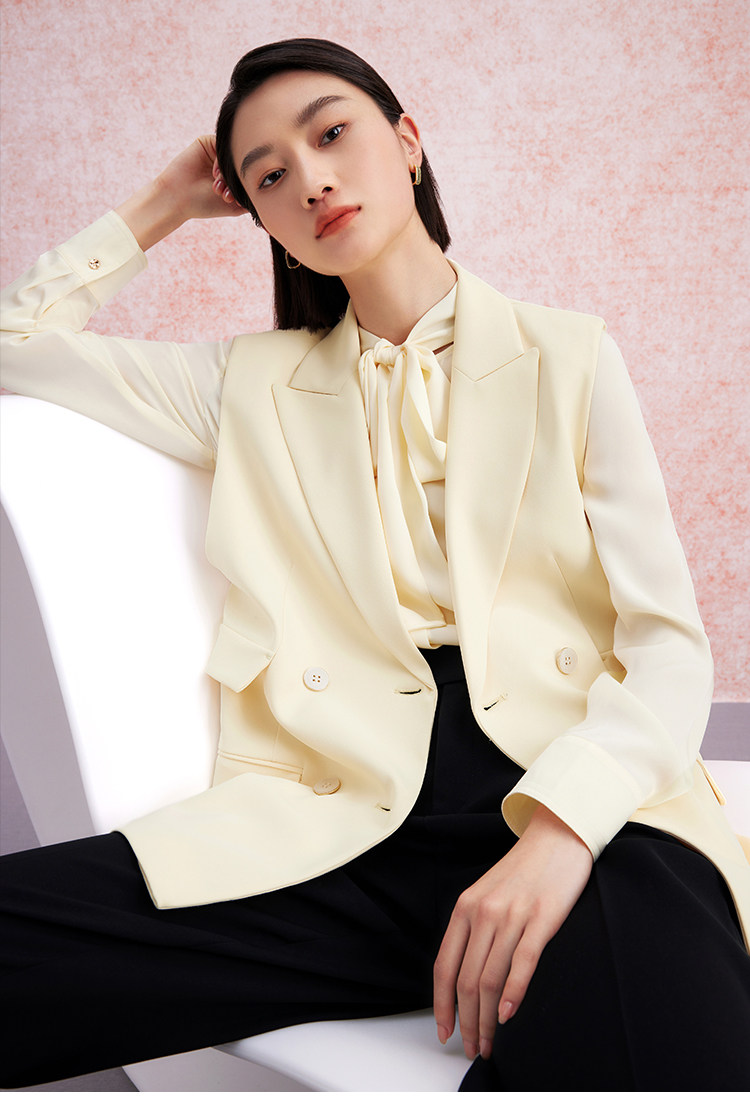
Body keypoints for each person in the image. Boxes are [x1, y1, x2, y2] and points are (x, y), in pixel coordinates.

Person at [1, 37, 749, 1092]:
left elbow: (669, 647)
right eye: (268, 175)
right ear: (261, 220)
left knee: (651, 1027)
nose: (309, 178)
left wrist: (560, 834)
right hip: (340, 824)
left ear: (407, 140)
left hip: (576, 793)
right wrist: (162, 204)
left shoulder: (569, 353)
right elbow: (13, 344)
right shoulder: (245, 385)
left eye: (331, 133)